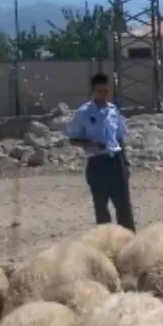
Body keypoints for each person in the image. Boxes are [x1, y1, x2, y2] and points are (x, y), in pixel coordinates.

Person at [66, 72, 135, 230]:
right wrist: (90, 142)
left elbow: (120, 138)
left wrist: (125, 164)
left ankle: (129, 241)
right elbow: (72, 138)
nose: (103, 95)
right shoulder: (84, 113)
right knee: (101, 208)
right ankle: (106, 243)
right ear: (92, 91)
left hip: (116, 163)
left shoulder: (113, 110)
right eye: (99, 91)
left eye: (106, 91)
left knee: (124, 206)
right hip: (97, 164)